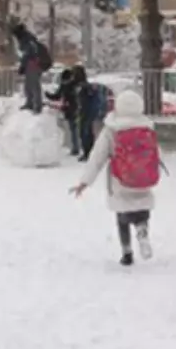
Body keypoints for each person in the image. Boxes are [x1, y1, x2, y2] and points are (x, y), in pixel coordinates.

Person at [70, 91, 161, 266]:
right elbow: (154, 153)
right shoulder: (147, 128)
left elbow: (97, 157)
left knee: (123, 216)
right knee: (142, 211)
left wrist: (84, 182)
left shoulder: (112, 129)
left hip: (120, 179)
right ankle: (142, 232)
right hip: (143, 179)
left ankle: (127, 252)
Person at [12, 22, 50, 114]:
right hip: (32, 65)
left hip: (34, 65)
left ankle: (37, 105)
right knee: (28, 85)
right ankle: (30, 102)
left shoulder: (27, 41)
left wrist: (22, 66)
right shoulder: (27, 39)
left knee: (34, 85)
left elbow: (27, 55)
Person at [46, 67, 82, 156]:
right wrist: (48, 95)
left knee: (74, 129)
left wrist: (49, 96)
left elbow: (58, 96)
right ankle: (75, 147)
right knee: (73, 129)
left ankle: (76, 148)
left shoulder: (72, 86)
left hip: (73, 109)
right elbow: (57, 96)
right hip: (70, 109)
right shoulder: (69, 85)